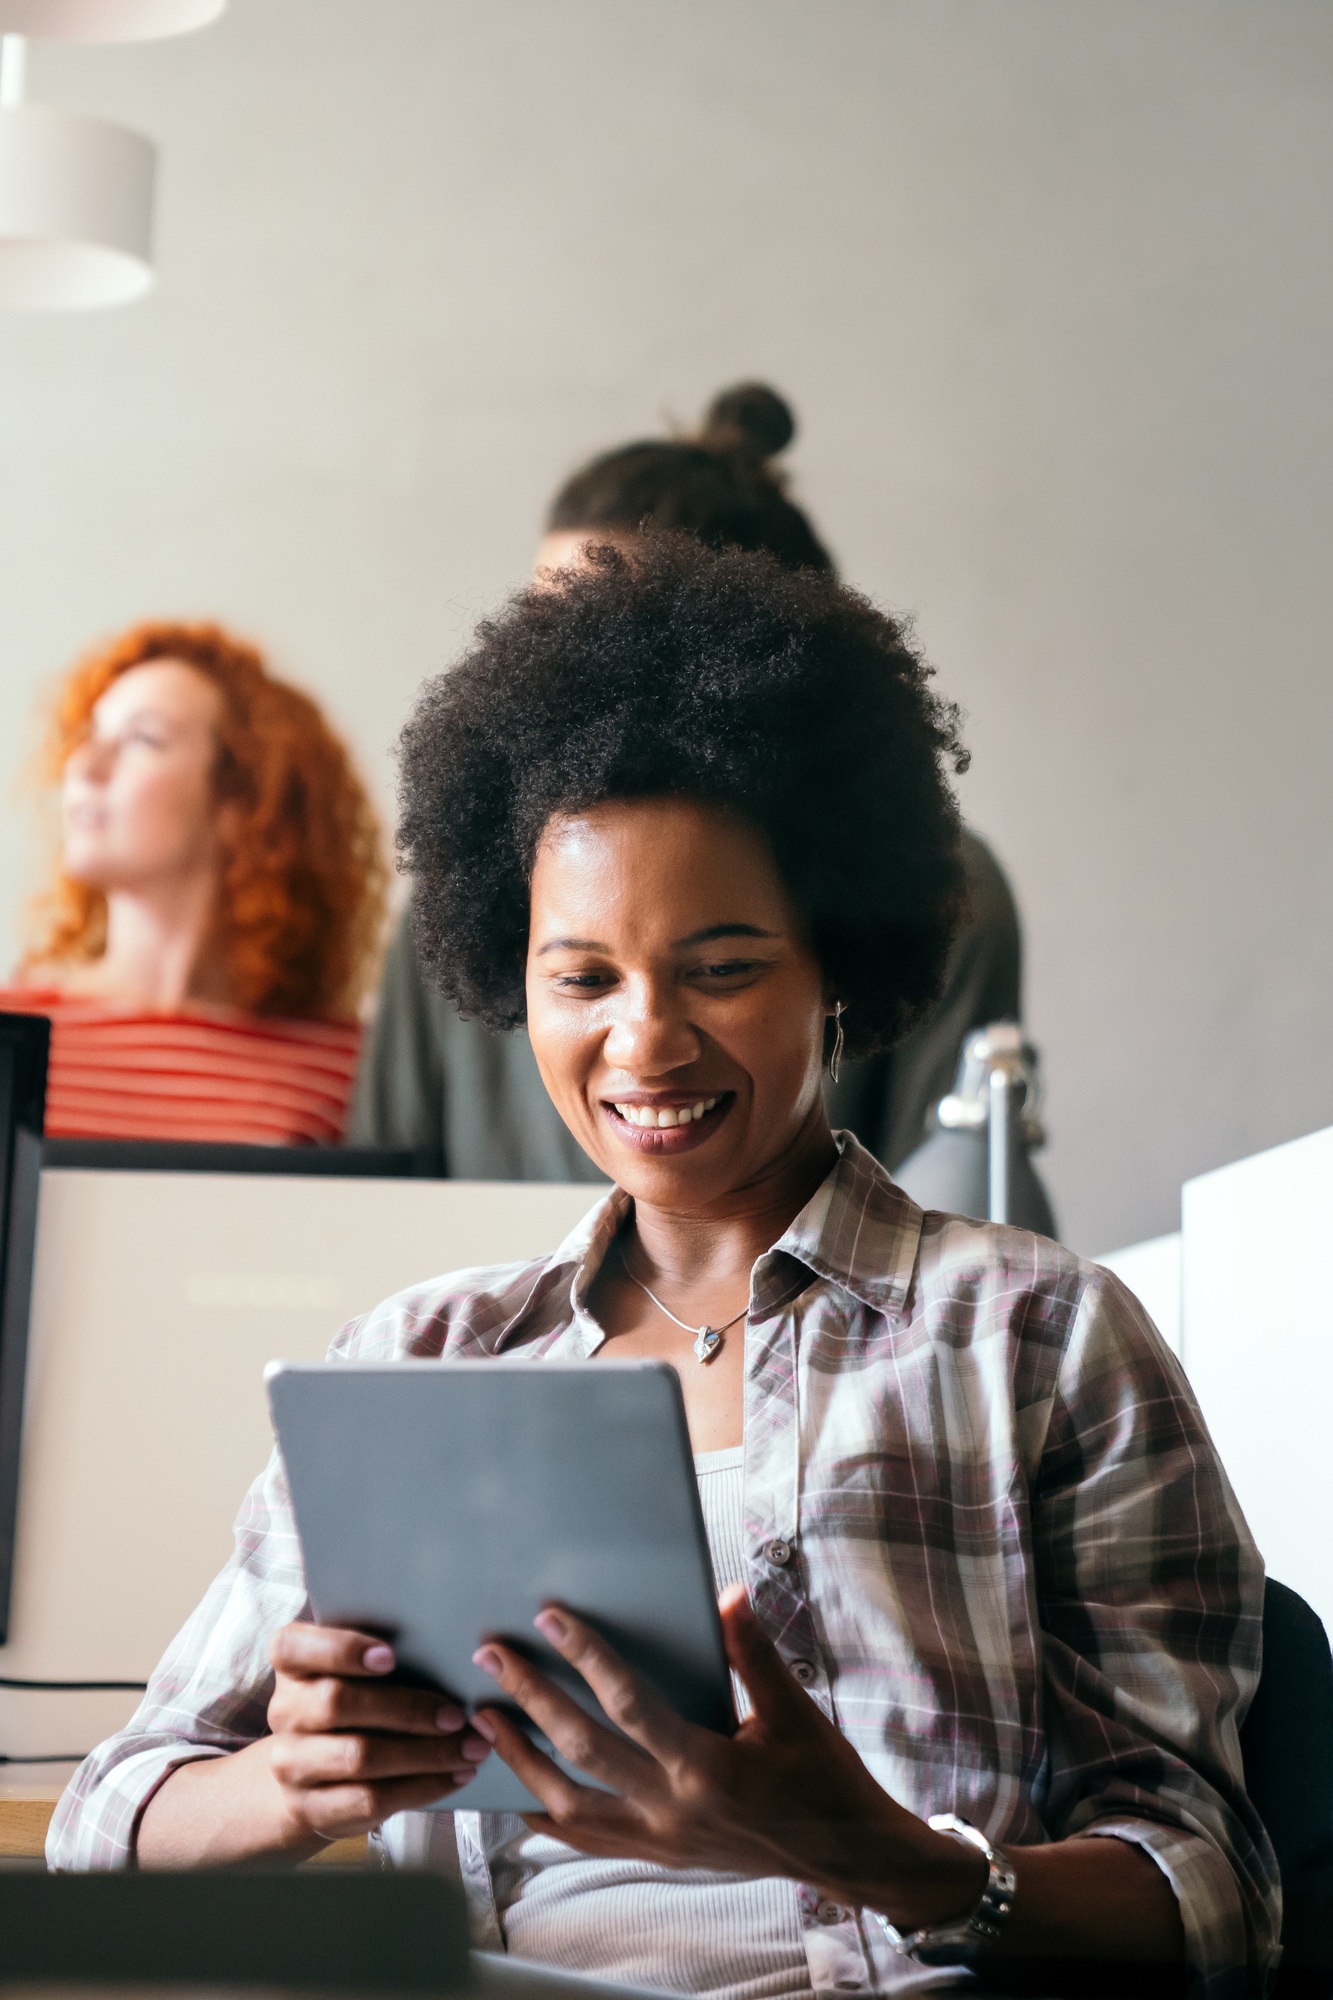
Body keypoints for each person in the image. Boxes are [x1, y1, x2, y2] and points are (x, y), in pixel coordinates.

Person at [51, 539, 1276, 1999]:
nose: (642, 1041)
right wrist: (298, 1785)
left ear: (839, 964)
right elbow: (103, 1824)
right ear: (507, 975)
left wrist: (887, 1857)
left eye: (721, 966)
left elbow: (1213, 1902)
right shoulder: (422, 1359)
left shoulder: (1037, 1338)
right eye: (582, 978)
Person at [348, 383, 1022, 1186]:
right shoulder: (467, 892)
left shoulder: (935, 891)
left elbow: (946, 1206)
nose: (553, 666)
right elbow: (375, 1200)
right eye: (540, 627)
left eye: (725, 969)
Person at [1, 621, 385, 1145]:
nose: (85, 766)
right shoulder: (10, 1033)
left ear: (244, 802)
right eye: (90, 738)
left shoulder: (350, 1069)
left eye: (142, 738)